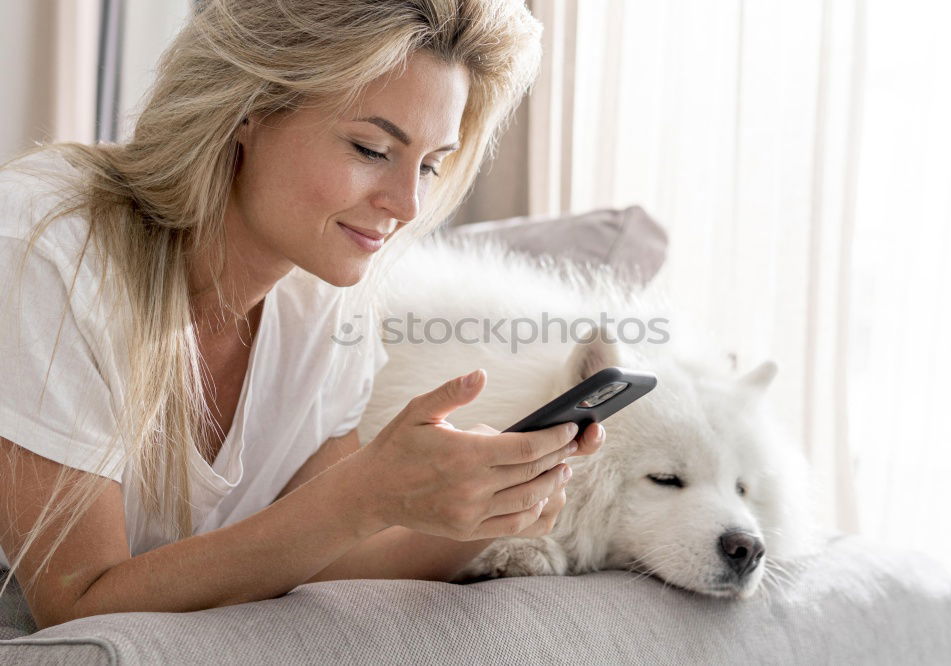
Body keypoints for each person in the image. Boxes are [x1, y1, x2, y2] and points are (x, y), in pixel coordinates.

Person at [0, 0, 606, 630]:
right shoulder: (45, 247)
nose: (406, 204)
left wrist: (484, 513)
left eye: (429, 165)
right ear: (247, 111)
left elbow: (325, 560)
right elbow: (77, 605)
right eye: (371, 149)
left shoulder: (324, 299)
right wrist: (361, 494)